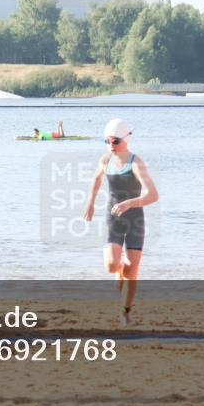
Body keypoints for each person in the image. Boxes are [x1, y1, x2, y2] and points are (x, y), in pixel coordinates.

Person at [82, 118, 159, 325]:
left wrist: (130, 203)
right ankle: (118, 270)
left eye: (115, 141)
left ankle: (125, 312)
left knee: (131, 272)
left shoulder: (136, 163)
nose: (111, 145)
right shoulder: (105, 160)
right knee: (111, 266)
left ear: (126, 139)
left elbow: (153, 195)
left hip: (135, 220)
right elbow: (96, 179)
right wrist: (90, 203)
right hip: (113, 217)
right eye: (107, 141)